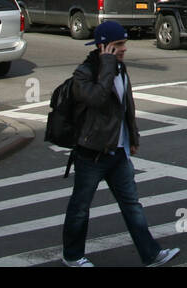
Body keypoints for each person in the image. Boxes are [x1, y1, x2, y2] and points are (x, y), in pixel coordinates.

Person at [61, 22, 179, 267]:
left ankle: (151, 254)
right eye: (119, 45)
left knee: (132, 205)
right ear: (104, 47)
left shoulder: (121, 69)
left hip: (118, 152)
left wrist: (132, 138)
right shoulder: (85, 72)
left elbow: (127, 106)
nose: (124, 49)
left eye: (124, 44)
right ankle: (72, 256)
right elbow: (97, 99)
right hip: (91, 152)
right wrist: (106, 64)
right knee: (80, 207)